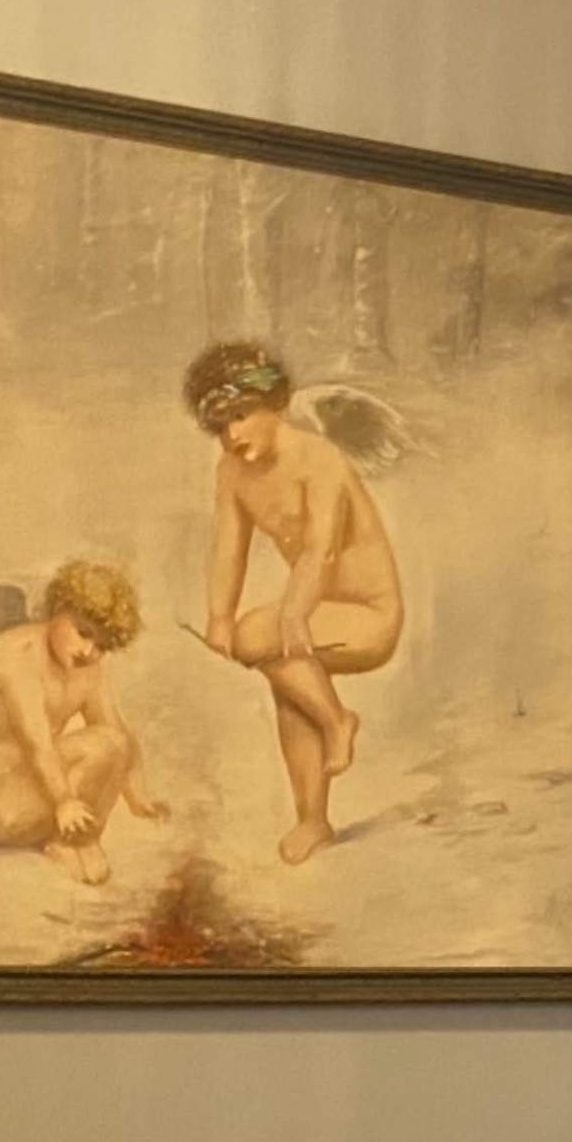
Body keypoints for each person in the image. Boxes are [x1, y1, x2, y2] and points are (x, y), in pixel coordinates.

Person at [182, 337, 406, 865]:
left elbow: (320, 550)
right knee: (285, 675)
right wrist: (217, 616)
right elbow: (227, 548)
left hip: (369, 617)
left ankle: (337, 723)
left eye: (241, 415)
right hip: (311, 613)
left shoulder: (318, 461)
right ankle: (312, 819)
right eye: (219, 426)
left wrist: (292, 612)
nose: (232, 434)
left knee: (259, 638)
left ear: (276, 406)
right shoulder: (232, 473)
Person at [0, 560, 161, 885]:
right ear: (58, 610)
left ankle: (76, 839)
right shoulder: (14, 657)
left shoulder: (86, 665)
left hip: (33, 794)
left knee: (114, 742)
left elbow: (114, 730)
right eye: (83, 633)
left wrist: (140, 799)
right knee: (103, 745)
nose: (89, 650)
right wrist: (64, 801)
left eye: (102, 645)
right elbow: (34, 740)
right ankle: (71, 842)